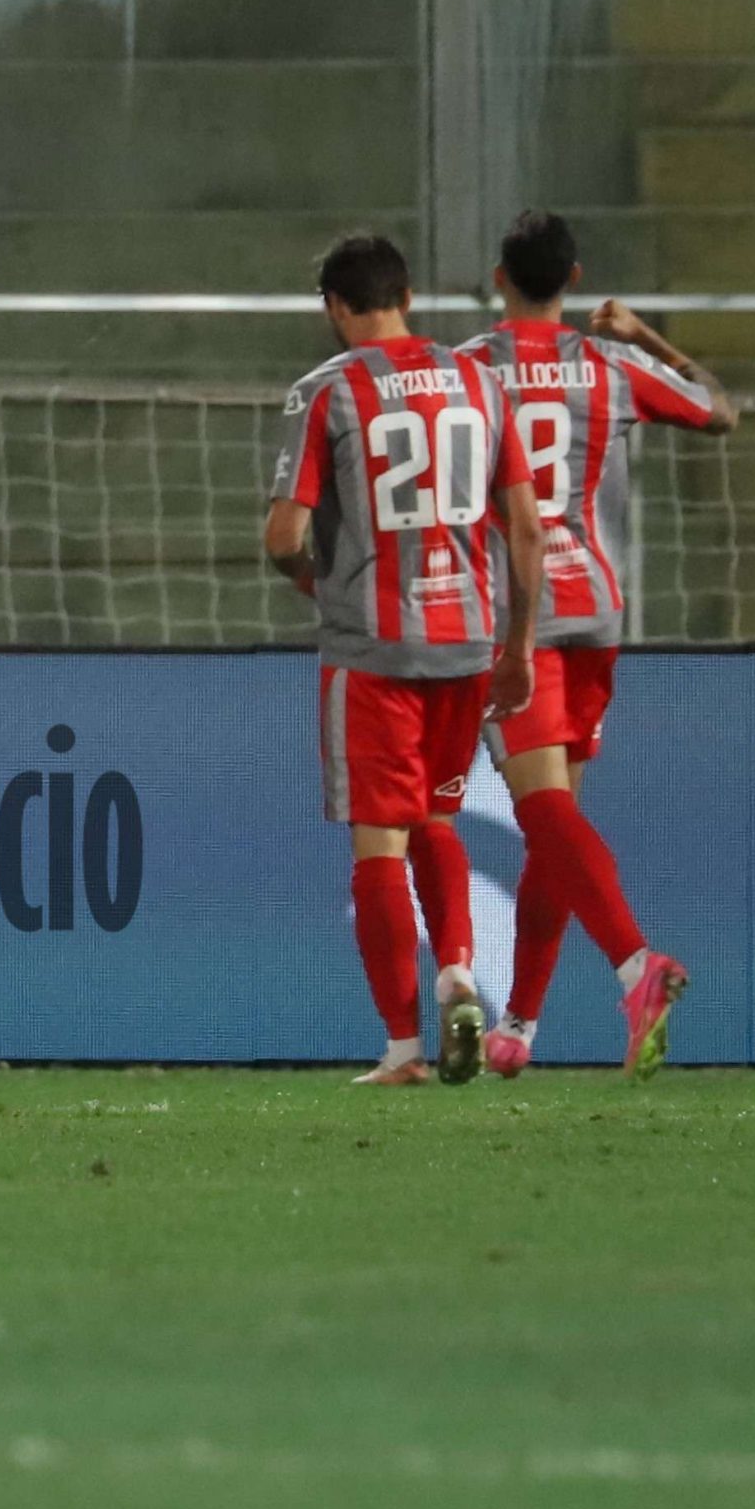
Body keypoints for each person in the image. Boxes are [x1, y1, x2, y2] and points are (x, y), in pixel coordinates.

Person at [456, 211, 729, 1080]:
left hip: (519, 614)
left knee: (542, 812)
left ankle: (636, 966)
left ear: (499, 278)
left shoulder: (467, 370)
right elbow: (719, 412)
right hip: (598, 611)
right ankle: (520, 1027)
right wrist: (649, 337)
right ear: (573, 279)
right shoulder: (610, 363)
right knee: (554, 824)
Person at [265, 234, 543, 1087]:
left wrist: (319, 584)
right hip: (468, 643)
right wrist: (519, 647)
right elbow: (526, 529)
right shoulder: (482, 381)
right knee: (438, 819)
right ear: (408, 297)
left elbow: (282, 536)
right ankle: (457, 968)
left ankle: (402, 1048)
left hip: (374, 650)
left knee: (379, 842)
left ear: (334, 307)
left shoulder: (326, 391)